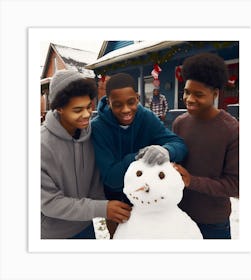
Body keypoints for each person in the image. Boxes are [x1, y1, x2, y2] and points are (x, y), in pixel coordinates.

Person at [91, 72, 187, 236]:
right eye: (118, 104)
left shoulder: (146, 117)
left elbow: (179, 145)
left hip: (149, 201)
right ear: (108, 102)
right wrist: (139, 157)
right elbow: (111, 178)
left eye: (131, 102)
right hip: (118, 204)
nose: (126, 110)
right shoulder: (98, 128)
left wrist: (165, 150)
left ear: (138, 98)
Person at [41, 69, 131, 239]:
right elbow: (50, 203)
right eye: (77, 110)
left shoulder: (90, 135)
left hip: (86, 227)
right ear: (59, 108)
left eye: (89, 107)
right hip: (53, 234)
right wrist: (102, 208)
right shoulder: (40, 146)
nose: (86, 114)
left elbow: (96, 182)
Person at [172, 53, 239, 239]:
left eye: (198, 94)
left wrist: (191, 181)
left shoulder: (232, 131)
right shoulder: (179, 123)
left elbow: (235, 185)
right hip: (180, 215)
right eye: (186, 92)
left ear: (215, 94)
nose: (189, 99)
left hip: (213, 222)